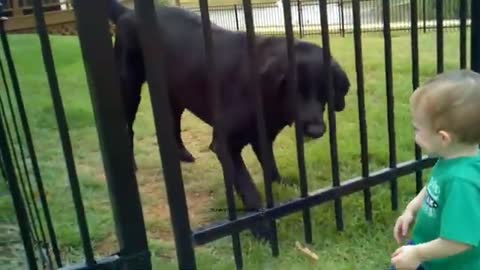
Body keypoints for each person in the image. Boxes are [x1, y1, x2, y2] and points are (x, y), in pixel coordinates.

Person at [390, 70, 480, 270]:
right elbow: (434, 186)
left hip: (448, 264)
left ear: (443, 138)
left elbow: (460, 241)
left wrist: (417, 254)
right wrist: (411, 209)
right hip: (427, 248)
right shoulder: (455, 160)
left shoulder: (462, 182)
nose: (414, 134)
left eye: (417, 129)